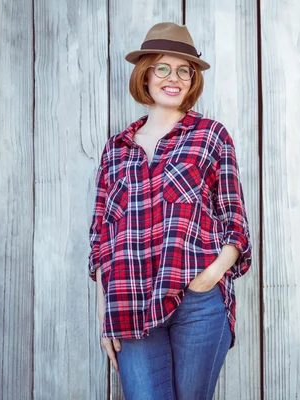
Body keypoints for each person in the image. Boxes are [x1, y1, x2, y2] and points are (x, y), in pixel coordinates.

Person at [87, 22, 252, 400]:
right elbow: (101, 236)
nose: (173, 78)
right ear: (145, 74)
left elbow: (235, 221)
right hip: (128, 304)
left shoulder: (211, 136)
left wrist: (208, 278)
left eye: (184, 70)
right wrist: (104, 315)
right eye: (163, 68)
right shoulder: (116, 149)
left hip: (197, 302)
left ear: (192, 79)